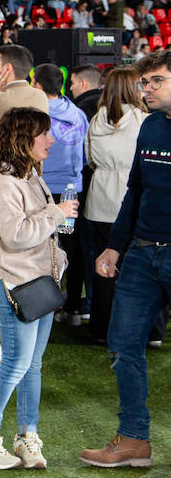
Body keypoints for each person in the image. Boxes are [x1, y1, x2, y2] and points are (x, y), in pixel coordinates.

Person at [0, 107, 74, 470]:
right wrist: (55, 214)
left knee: (32, 366)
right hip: (16, 284)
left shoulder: (30, 177)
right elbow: (16, 236)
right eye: (43, 133)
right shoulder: (2, 183)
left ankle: (27, 435)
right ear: (22, 139)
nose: (51, 139)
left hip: (38, 283)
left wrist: (56, 253)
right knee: (15, 364)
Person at [84, 51, 171, 468]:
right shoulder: (151, 126)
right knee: (122, 345)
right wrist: (114, 245)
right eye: (145, 83)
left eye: (156, 81)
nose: (146, 90)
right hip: (140, 253)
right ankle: (134, 438)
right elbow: (134, 190)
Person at [84, 67, 149, 343]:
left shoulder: (96, 120)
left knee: (103, 268)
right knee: (137, 270)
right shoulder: (145, 120)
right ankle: (138, 331)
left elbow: (88, 159)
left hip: (100, 199)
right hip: (132, 199)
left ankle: (101, 329)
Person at [33, 64, 89, 325]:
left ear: (38, 86)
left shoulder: (36, 115)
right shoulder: (78, 114)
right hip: (72, 189)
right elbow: (88, 152)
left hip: (43, 189)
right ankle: (73, 307)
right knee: (70, 247)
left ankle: (45, 306)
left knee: (44, 247)